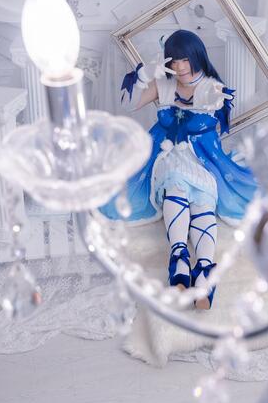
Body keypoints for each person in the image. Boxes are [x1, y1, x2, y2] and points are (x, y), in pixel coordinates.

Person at [102, 29, 259, 309]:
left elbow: (214, 114)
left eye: (185, 59)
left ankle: (205, 270)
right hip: (166, 155)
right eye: (174, 61)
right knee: (175, 183)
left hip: (200, 158)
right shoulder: (163, 84)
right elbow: (128, 104)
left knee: (203, 201)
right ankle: (179, 258)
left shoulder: (211, 88)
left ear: (197, 56)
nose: (180, 67)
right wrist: (143, 75)